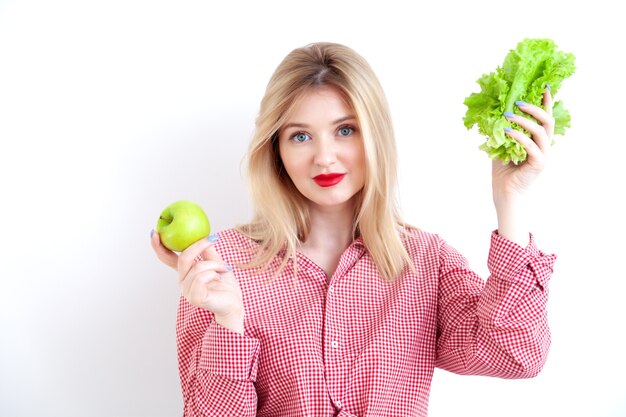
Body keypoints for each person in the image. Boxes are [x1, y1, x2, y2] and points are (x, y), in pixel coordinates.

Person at [150, 42, 557, 417]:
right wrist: (228, 321)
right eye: (300, 136)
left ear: (374, 137)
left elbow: (515, 353)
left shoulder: (426, 262)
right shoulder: (222, 268)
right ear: (276, 150)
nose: (324, 157)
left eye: (345, 130)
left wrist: (511, 201)